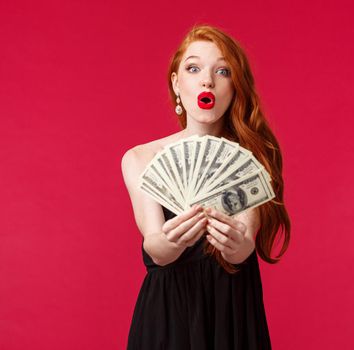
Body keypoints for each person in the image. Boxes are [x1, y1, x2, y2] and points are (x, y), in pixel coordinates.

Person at [121, 24, 291, 350]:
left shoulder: (252, 158)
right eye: (194, 68)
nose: (207, 80)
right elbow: (155, 247)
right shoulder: (140, 158)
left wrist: (236, 243)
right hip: (169, 312)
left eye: (222, 70)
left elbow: (244, 246)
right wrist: (170, 242)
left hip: (232, 310)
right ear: (177, 83)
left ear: (234, 86)